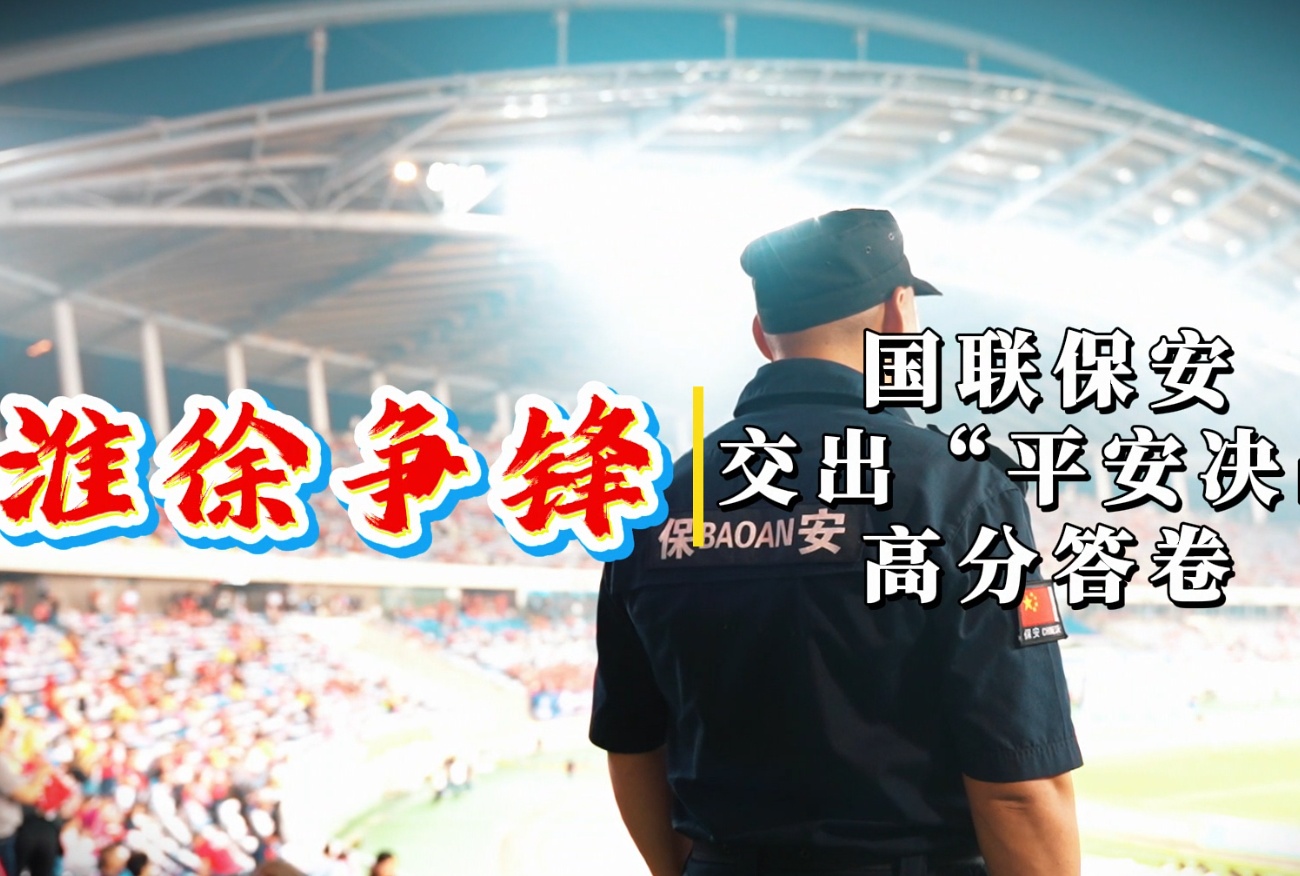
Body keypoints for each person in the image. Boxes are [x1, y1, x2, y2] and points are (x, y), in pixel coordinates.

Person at [589, 208, 1083, 876]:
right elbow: (1018, 786)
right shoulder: (959, 489)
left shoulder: (657, 499)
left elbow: (631, 743)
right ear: (899, 314)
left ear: (763, 335)